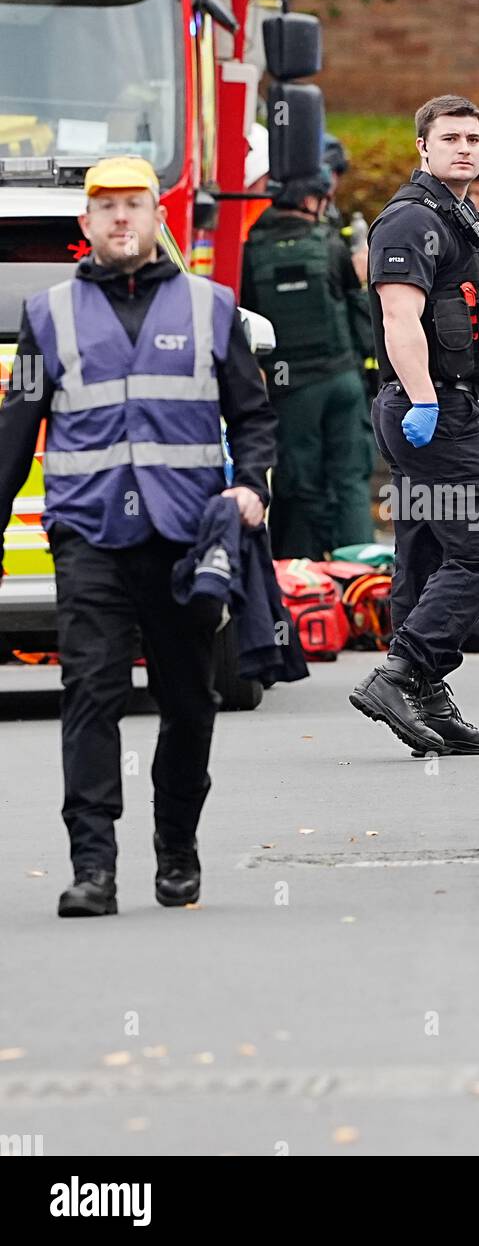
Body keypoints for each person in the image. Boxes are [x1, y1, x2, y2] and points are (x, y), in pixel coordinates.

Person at [0, 156, 277, 917]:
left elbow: (253, 418)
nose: (121, 219)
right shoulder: (47, 315)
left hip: (186, 539)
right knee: (91, 693)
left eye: (134, 206)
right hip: (88, 533)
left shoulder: (212, 308)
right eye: (107, 208)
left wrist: (251, 486)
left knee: (189, 701)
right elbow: (14, 434)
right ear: (85, 225)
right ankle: (93, 866)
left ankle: (177, 848)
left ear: (158, 218)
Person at [348, 94, 479, 757]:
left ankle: (425, 693)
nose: (465, 148)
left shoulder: (458, 216)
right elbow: (399, 318)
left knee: (423, 548)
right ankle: (405, 672)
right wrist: (422, 398)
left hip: (443, 402)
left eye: (474, 138)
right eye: (450, 138)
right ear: (423, 147)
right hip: (431, 408)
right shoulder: (410, 221)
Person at [240, 165, 374, 558]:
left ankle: (303, 580)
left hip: (292, 390)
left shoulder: (249, 251)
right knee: (350, 481)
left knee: (300, 487)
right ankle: (361, 581)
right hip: (343, 382)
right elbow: (359, 311)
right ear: (310, 201)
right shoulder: (331, 245)